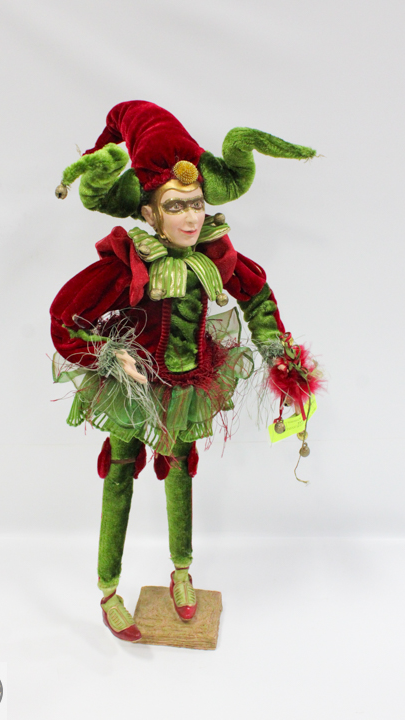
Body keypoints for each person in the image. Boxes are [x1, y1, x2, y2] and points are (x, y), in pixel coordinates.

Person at [50, 101, 321, 643]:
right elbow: (66, 317)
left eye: (196, 203)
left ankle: (181, 572)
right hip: (131, 387)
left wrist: (281, 358)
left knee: (180, 471)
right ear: (150, 213)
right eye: (176, 206)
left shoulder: (214, 256)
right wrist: (107, 352)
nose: (192, 217)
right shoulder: (131, 260)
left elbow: (257, 298)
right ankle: (108, 589)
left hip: (187, 384)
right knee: (120, 473)